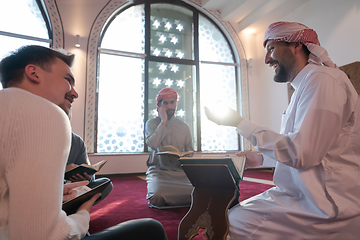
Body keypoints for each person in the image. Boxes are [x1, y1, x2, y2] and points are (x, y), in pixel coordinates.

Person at [205, 21, 360, 239]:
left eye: (271, 48)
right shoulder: (305, 86)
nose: (267, 59)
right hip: (304, 195)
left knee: (228, 224)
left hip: (327, 204)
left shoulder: (323, 80)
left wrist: (239, 122)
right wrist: (260, 160)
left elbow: (303, 154)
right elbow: (307, 149)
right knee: (230, 215)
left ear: (296, 45)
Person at [0, 45, 168, 240]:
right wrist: (83, 215)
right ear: (33, 73)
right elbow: (42, 236)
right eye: (68, 80)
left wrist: (53, 195)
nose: (75, 93)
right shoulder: (45, 112)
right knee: (150, 230)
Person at [145, 87, 194, 208]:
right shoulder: (151, 123)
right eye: (165, 103)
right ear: (159, 105)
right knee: (157, 197)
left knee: (198, 193)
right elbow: (153, 144)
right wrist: (164, 121)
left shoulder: (184, 126)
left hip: (180, 172)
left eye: (172, 102)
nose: (170, 106)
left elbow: (190, 151)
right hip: (159, 172)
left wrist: (181, 158)